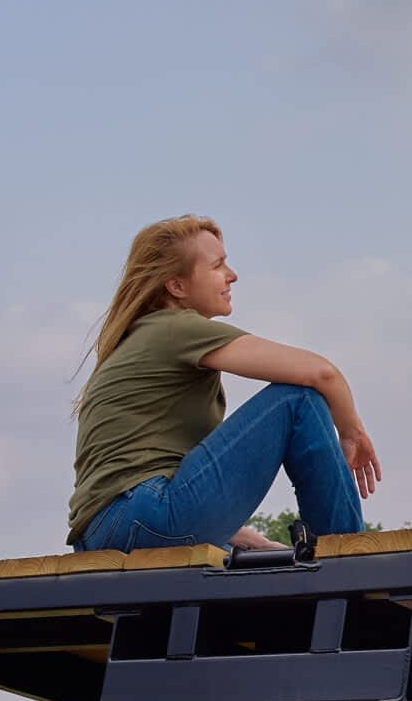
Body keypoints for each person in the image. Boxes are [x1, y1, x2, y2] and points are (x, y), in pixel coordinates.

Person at [67, 216, 379, 554]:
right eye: (218, 266)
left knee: (258, 567)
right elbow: (321, 373)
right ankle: (347, 555)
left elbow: (161, 477)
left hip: (105, 531)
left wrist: (252, 541)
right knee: (298, 399)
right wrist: (352, 431)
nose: (232, 275)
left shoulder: (141, 338)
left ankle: (328, 561)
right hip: (144, 515)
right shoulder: (175, 328)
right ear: (177, 286)